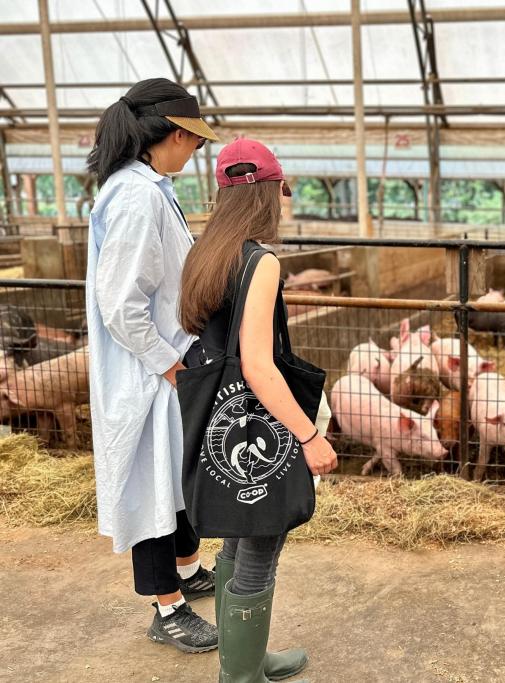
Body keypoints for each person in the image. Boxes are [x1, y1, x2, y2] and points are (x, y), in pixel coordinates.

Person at [178, 138, 337, 682]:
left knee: (235, 532)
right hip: (258, 419)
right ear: (270, 193)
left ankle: (245, 656)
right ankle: (240, 676)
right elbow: (258, 364)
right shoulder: (260, 260)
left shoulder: (208, 252)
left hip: (220, 420)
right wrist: (309, 436)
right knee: (262, 543)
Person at [85, 78, 220, 654]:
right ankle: (167, 608)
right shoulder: (138, 197)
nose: (194, 148)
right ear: (163, 134)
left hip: (162, 361)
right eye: (189, 137)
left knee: (172, 477)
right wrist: (167, 363)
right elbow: (121, 301)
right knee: (150, 488)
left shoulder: (150, 188)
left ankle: (187, 568)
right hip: (148, 370)